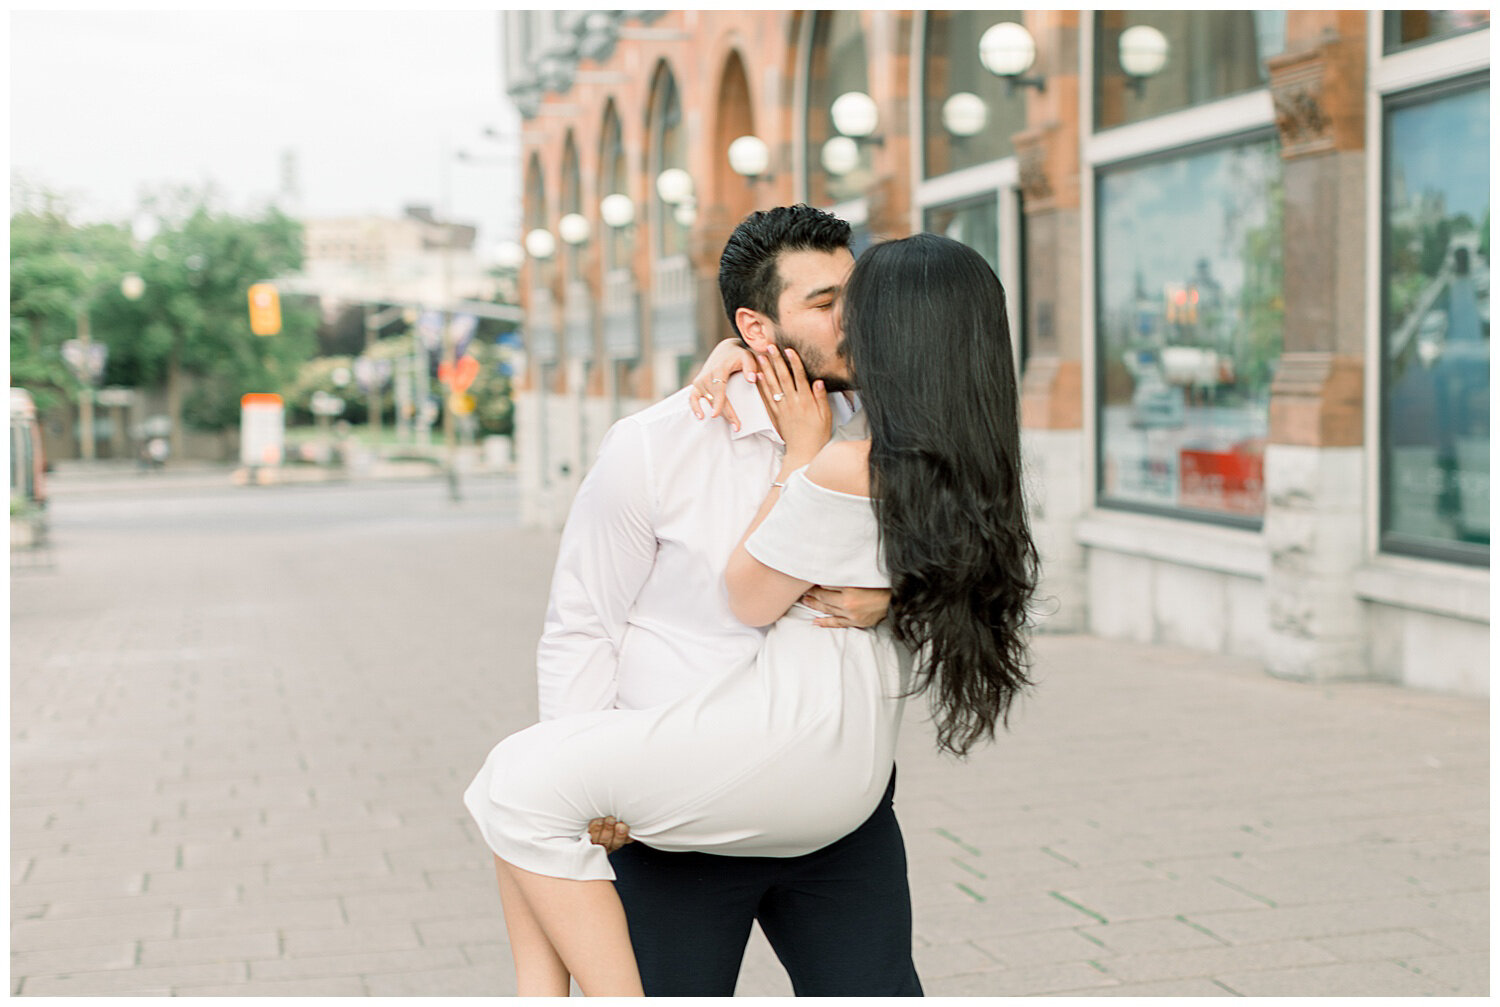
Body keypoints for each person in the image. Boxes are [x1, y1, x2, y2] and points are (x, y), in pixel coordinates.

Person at [464, 218, 1038, 996]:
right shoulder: (656, 444)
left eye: (858, 299)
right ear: (754, 326)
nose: (850, 321)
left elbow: (951, 547)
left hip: (827, 793)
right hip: (678, 795)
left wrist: (894, 594)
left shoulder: (871, 422)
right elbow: (584, 620)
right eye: (830, 301)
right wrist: (592, 779)